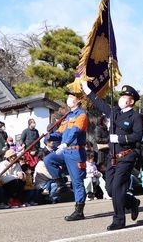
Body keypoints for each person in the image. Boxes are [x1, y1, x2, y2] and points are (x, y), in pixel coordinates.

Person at [82, 82, 142, 230]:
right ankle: (132, 202)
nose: (121, 98)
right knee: (110, 189)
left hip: (126, 156)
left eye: (125, 96)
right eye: (121, 96)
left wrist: (120, 139)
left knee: (117, 187)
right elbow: (100, 103)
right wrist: (88, 90)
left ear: (131, 101)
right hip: (112, 156)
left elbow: (138, 135)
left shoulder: (135, 116)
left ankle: (119, 220)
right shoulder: (114, 112)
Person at [45, 89, 89, 221]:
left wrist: (65, 143)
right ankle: (61, 184)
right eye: (69, 96)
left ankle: (79, 210)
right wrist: (49, 136)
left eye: (71, 96)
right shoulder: (68, 116)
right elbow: (60, 132)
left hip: (75, 151)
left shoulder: (82, 115)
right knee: (48, 160)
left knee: (77, 182)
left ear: (78, 100)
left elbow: (75, 131)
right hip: (65, 151)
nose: (69, 98)